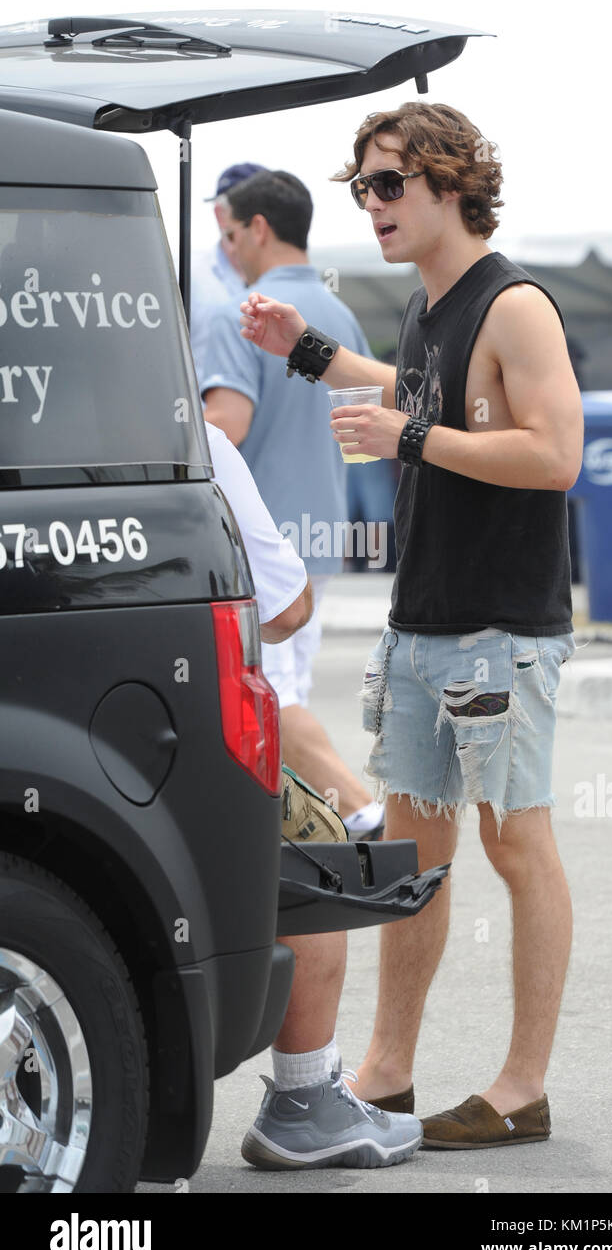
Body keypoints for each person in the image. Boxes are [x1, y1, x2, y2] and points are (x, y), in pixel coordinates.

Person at [237, 100, 584, 1151]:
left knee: (515, 842)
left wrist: (413, 436)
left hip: (500, 625)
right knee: (415, 847)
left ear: (448, 182)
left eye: (388, 184)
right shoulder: (433, 307)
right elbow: (419, 395)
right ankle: (386, 1073)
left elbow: (554, 451)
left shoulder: (515, 303)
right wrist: (310, 355)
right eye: (362, 189)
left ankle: (523, 1086)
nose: (372, 205)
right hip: (425, 618)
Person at [203, 418, 422, 1169]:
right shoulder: (186, 436)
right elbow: (286, 605)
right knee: (317, 848)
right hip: (163, 726)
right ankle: (304, 1099)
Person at [200, 167, 383, 838]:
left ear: (257, 228)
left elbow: (227, 425)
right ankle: (317, 826)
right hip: (325, 530)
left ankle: (362, 813)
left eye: (229, 235)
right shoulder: (341, 316)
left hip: (265, 538)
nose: (227, 251)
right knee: (286, 683)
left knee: (270, 691)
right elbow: (363, 433)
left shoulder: (238, 315)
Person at [189, 162, 264, 379]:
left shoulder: (285, 281)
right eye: (241, 209)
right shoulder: (185, 275)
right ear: (218, 214)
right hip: (204, 412)